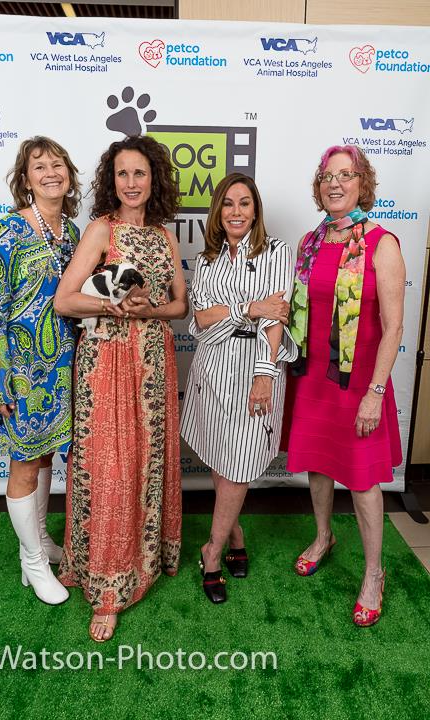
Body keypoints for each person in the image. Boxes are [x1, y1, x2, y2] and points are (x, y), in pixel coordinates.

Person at [54, 135, 187, 641]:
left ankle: (147, 559)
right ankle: (107, 589)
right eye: (122, 174)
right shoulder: (100, 229)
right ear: (112, 180)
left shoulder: (165, 237)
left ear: (154, 179)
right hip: (106, 363)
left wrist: (147, 309)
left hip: (153, 361)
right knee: (109, 468)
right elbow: (66, 301)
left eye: (140, 174)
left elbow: (180, 306)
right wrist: (110, 305)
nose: (132, 183)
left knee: (145, 462)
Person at [286, 145, 404, 626]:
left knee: (361, 481)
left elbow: (393, 328)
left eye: (345, 175)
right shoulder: (310, 242)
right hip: (315, 376)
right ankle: (323, 536)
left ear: (362, 183)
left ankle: (373, 573)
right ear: (318, 187)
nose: (334, 183)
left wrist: (375, 393)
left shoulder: (383, 243)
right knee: (317, 465)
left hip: (361, 384)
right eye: (326, 176)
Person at [0, 136, 81, 605]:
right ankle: (31, 561)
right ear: (25, 178)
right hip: (22, 373)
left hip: (63, 367)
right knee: (25, 464)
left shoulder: (71, 232)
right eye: (39, 167)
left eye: (58, 164)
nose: (51, 172)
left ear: (68, 173)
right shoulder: (6, 231)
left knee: (48, 457)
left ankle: (41, 541)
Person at [180, 173, 296, 604]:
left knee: (240, 462)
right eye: (228, 204)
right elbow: (199, 321)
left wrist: (265, 374)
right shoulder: (207, 259)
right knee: (220, 452)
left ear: (256, 210)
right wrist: (248, 306)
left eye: (244, 204)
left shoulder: (277, 251)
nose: (236, 212)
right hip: (212, 368)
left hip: (254, 368)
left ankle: (212, 552)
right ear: (217, 211)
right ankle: (235, 533)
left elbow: (276, 318)